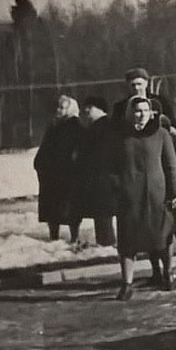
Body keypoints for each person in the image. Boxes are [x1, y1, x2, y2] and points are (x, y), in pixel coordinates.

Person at [113, 96, 176, 300]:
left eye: (146, 110)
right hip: (130, 198)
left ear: (152, 113)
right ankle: (127, 283)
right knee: (128, 240)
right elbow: (110, 165)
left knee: (163, 236)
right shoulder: (121, 136)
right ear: (130, 113)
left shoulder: (161, 134)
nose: (142, 114)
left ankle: (168, 274)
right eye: (137, 110)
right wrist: (117, 186)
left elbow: (171, 165)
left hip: (158, 195)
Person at [34, 95, 82, 242]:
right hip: (50, 173)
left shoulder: (75, 126)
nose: (58, 110)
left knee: (69, 207)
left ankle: (75, 237)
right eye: (58, 107)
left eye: (62, 107)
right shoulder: (54, 125)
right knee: (51, 207)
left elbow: (77, 149)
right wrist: (39, 163)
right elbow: (46, 146)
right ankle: (53, 236)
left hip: (67, 174)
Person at [74, 95, 117, 247]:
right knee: (102, 213)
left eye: (90, 107)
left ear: (100, 109)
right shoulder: (101, 126)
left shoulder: (103, 127)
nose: (86, 111)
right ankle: (106, 242)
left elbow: (100, 153)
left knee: (103, 213)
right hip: (101, 177)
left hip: (102, 176)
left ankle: (106, 243)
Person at [111, 67, 176, 129]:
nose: (136, 88)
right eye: (133, 85)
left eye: (139, 84)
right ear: (128, 85)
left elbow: (172, 124)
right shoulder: (120, 107)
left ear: (146, 83)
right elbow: (116, 129)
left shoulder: (160, 102)